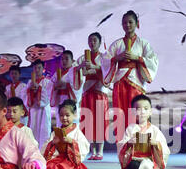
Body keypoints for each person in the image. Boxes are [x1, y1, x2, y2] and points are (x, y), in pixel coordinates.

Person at [102, 10, 159, 139]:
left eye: (130, 22)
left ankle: (138, 146)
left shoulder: (143, 43)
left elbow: (152, 60)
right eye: (124, 23)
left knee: (137, 113)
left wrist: (137, 58)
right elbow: (106, 59)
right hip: (120, 83)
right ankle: (122, 146)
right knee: (120, 113)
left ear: (136, 23)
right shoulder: (117, 44)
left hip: (136, 81)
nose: (127, 25)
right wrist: (117, 58)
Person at [117, 95, 170, 169]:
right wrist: (129, 143)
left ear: (150, 111)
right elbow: (121, 145)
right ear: (133, 112)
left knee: (145, 166)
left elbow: (165, 149)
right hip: (134, 159)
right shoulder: (130, 129)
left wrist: (155, 144)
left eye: (145, 109)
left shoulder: (154, 130)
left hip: (150, 160)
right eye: (138, 109)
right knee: (134, 165)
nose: (142, 112)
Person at [77, 32, 110, 160]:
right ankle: (93, 151)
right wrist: (82, 68)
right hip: (88, 92)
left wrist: (95, 68)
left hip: (100, 91)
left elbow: (108, 71)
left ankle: (100, 151)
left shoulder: (104, 57)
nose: (92, 43)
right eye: (90, 40)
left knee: (100, 121)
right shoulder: (83, 58)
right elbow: (78, 71)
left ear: (100, 42)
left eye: (95, 40)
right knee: (89, 121)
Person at [41, 99, 89, 169]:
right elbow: (46, 147)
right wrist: (52, 143)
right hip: (57, 158)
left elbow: (84, 146)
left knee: (60, 167)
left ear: (74, 115)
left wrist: (72, 142)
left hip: (70, 161)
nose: (64, 118)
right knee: (49, 166)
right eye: (62, 115)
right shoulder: (57, 131)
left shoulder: (77, 132)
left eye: (67, 115)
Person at [50, 50, 83, 127]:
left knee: (72, 123)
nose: (64, 61)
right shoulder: (57, 73)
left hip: (70, 100)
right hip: (60, 101)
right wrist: (54, 86)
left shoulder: (75, 72)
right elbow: (50, 85)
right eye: (62, 59)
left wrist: (65, 84)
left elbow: (78, 86)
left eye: (66, 59)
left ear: (72, 60)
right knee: (60, 123)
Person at [27, 59, 53, 149]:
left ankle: (44, 150)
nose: (37, 70)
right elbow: (25, 96)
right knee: (33, 129)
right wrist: (29, 90)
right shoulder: (29, 83)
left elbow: (48, 96)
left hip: (43, 109)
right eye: (35, 68)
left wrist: (39, 88)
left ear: (43, 69)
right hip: (34, 109)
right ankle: (33, 151)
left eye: (39, 68)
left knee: (43, 130)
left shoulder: (47, 81)